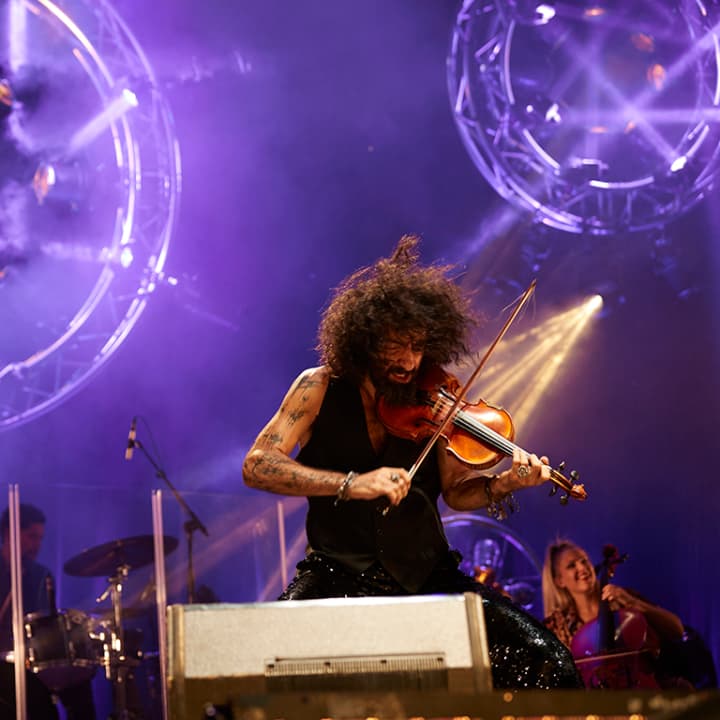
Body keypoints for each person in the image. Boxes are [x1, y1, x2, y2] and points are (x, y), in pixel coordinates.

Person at [243, 235, 582, 689]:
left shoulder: (436, 398)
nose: (409, 361)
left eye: (418, 346)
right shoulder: (317, 387)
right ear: (364, 340)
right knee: (264, 670)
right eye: (395, 346)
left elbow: (456, 492)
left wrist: (503, 485)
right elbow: (257, 464)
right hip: (337, 574)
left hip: (429, 577)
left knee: (549, 662)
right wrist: (351, 484)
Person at [541, 538, 712, 689]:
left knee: (682, 688)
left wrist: (632, 602)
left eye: (584, 561)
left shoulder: (622, 599)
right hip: (592, 700)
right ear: (559, 580)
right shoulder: (557, 625)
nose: (582, 567)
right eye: (571, 565)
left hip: (640, 688)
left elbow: (676, 629)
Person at [0, 504, 97, 720]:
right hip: (4, 660)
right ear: (9, 533)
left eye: (40, 538)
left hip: (31, 660)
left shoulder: (41, 575)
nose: (37, 545)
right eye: (31, 536)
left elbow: (46, 624)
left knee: (79, 685)